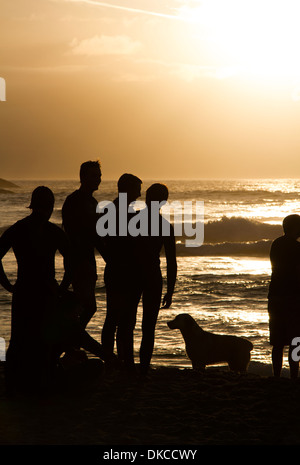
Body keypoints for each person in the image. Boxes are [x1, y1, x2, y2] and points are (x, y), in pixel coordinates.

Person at [0, 186, 72, 393]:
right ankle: (40, 385)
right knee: (43, 341)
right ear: (50, 206)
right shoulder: (53, 232)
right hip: (46, 291)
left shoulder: (18, 228)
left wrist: (7, 285)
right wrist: (62, 287)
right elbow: (71, 262)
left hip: (24, 290)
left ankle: (15, 385)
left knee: (20, 340)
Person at [100, 173, 143, 373]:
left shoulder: (125, 211)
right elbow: (99, 238)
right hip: (120, 270)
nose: (140, 193)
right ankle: (113, 359)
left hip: (126, 270)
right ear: (127, 190)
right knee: (117, 318)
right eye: (137, 189)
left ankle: (122, 360)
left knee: (124, 319)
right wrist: (110, 257)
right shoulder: (113, 210)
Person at [62, 160, 107, 329]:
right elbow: (86, 233)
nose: (98, 180)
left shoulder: (91, 202)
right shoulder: (75, 201)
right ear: (83, 177)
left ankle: (72, 342)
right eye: (94, 176)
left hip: (87, 258)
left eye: (99, 176)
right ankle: (70, 340)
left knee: (84, 306)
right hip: (78, 259)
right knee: (88, 306)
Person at [139, 183, 177, 374]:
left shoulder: (133, 221)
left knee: (127, 322)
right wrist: (170, 290)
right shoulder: (165, 226)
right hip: (152, 274)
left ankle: (127, 364)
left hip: (134, 273)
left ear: (146, 198)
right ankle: (143, 368)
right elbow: (171, 262)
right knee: (148, 326)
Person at [268, 214, 300, 379]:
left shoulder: (276, 244)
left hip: (275, 296)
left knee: (278, 342)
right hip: (293, 298)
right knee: (295, 340)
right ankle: (294, 375)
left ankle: (276, 375)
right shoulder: (296, 248)